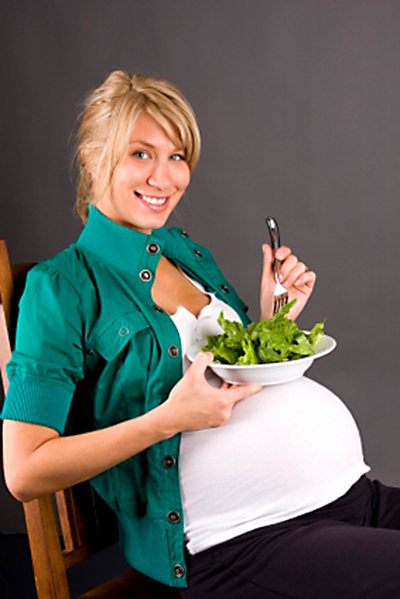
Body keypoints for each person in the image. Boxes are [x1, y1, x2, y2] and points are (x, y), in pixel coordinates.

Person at [2, 70, 400, 599]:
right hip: (245, 541)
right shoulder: (61, 289)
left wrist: (272, 321)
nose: (164, 178)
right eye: (141, 154)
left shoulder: (185, 253)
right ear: (94, 160)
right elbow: (24, 470)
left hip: (349, 499)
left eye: (177, 156)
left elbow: (229, 381)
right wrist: (165, 420)